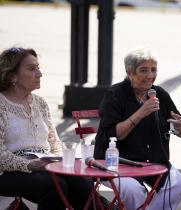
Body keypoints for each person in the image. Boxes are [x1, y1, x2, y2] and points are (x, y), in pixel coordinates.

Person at [0, 47, 113, 210]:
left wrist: (58, 160)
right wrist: (31, 164)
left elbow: (55, 142)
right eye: (32, 69)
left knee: (81, 182)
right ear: (12, 76)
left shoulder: (40, 103)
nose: (39, 74)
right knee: (54, 186)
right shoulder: (1, 104)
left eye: (38, 68)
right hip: (8, 172)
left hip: (44, 165)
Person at [94, 47, 181, 210]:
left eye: (153, 70)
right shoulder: (115, 94)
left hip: (154, 162)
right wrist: (141, 113)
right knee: (134, 192)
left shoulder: (160, 94)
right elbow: (112, 134)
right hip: (116, 163)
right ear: (129, 72)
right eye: (143, 70)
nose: (150, 76)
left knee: (179, 185)